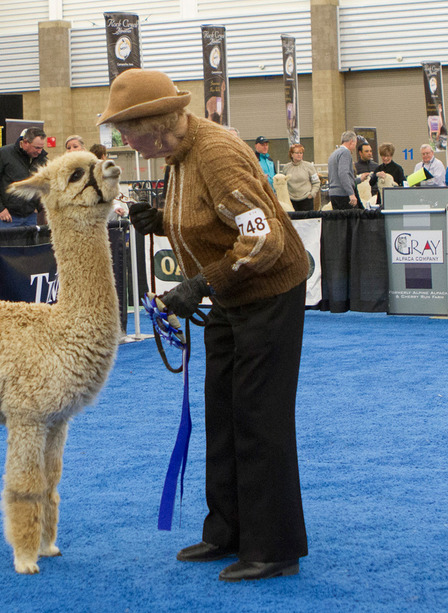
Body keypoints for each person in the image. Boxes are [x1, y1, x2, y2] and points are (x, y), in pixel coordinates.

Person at [100, 68, 308, 582]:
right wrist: (162, 221)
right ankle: (228, 531)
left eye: (126, 129)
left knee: (259, 418)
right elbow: (209, 218)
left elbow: (264, 242)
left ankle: (273, 547)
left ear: (154, 122)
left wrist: (199, 284)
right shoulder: (177, 153)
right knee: (222, 413)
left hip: (268, 294)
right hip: (231, 297)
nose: (123, 141)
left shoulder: (215, 153)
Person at [0, 127, 48, 228]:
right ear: (25, 142)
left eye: (41, 148)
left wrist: (38, 206)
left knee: (30, 244)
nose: (40, 151)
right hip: (7, 217)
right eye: (37, 148)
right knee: (6, 244)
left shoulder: (42, 160)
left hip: (30, 217)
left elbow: (45, 185)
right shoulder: (3, 154)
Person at [282, 144, 320, 211]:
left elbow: (316, 182)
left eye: (301, 153)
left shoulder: (309, 166)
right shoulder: (286, 168)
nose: (299, 155)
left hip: (306, 200)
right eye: (297, 153)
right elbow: (283, 184)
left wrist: (312, 194)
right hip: (291, 200)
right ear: (291, 154)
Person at [327, 131, 358, 209]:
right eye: (355, 144)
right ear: (351, 142)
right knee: (348, 220)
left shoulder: (334, 154)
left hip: (333, 194)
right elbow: (343, 173)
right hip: (343, 194)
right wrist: (351, 193)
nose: (355, 147)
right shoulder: (345, 153)